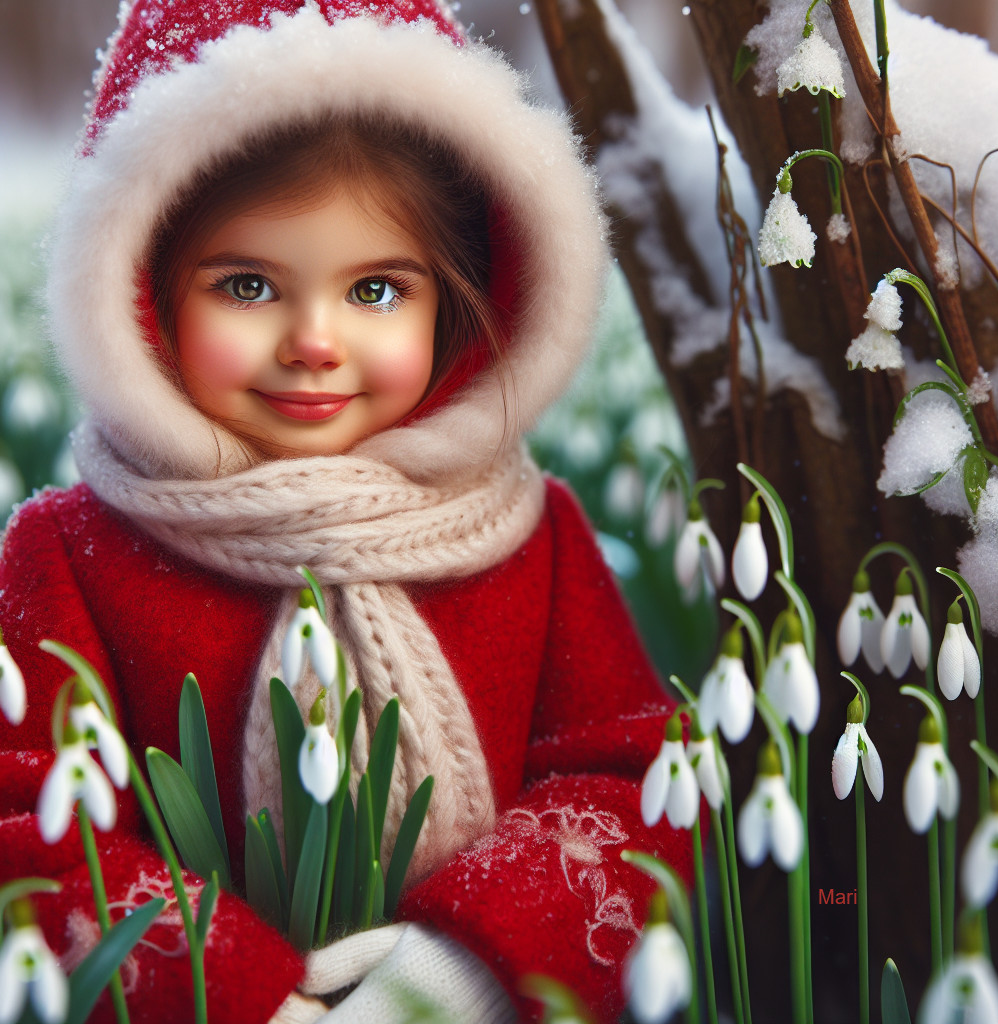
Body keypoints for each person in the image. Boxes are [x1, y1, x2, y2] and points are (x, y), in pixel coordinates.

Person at [0, 1, 691, 1021]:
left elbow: (632, 777)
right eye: (247, 284)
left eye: (375, 290)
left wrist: (458, 969)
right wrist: (237, 992)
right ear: (142, 292)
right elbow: (27, 823)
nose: (314, 341)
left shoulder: (529, 532)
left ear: (458, 301)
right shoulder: (70, 550)